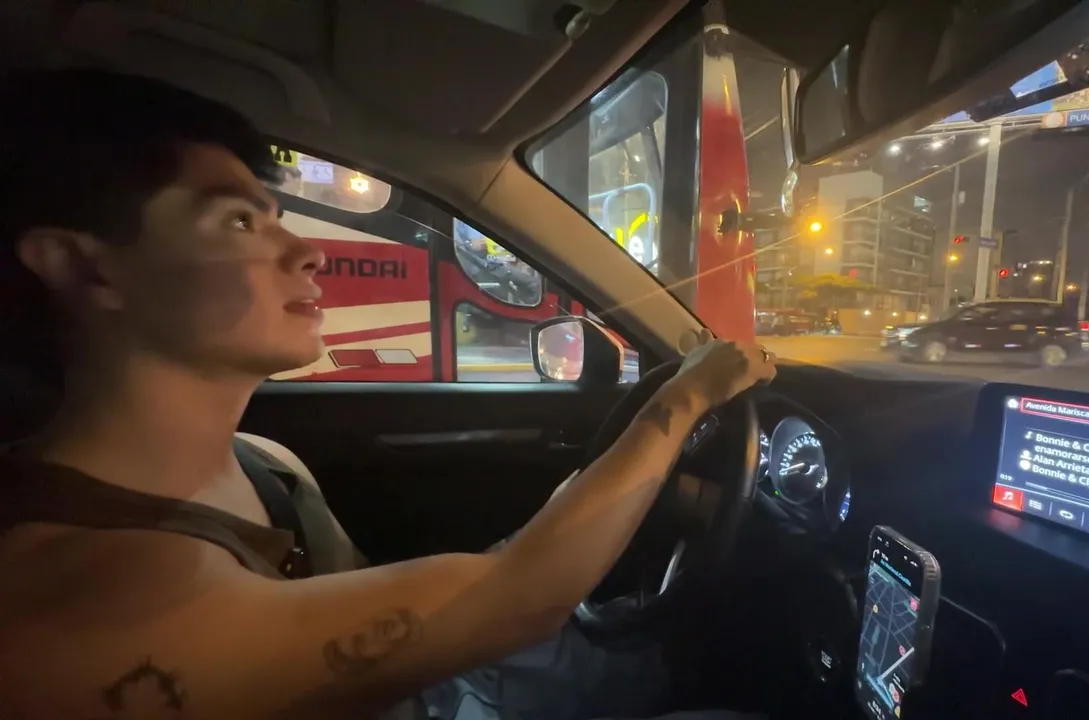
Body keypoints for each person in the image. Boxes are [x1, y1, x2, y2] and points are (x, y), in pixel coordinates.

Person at [0, 69, 776, 720]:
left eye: (276, 217)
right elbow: (521, 597)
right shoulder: (93, 609)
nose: (306, 250)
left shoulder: (261, 461)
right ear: (84, 267)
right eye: (236, 221)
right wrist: (686, 395)